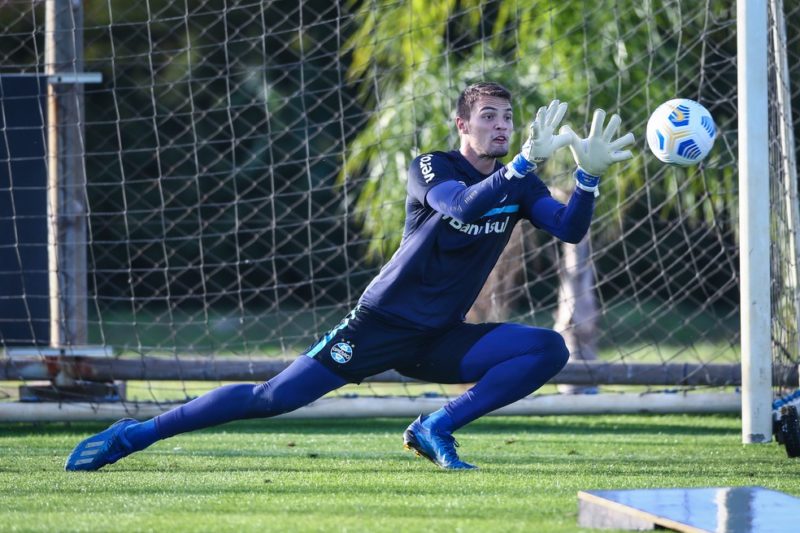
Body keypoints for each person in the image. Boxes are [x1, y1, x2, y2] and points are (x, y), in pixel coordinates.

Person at [65, 82, 634, 471]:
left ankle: (435, 426)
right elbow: (460, 207)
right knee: (270, 399)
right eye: (488, 117)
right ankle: (132, 434)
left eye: (508, 118)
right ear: (462, 125)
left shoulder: (521, 181)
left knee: (546, 350)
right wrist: (521, 164)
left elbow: (569, 230)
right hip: (380, 322)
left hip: (439, 336)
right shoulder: (432, 166)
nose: (502, 126)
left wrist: (587, 178)